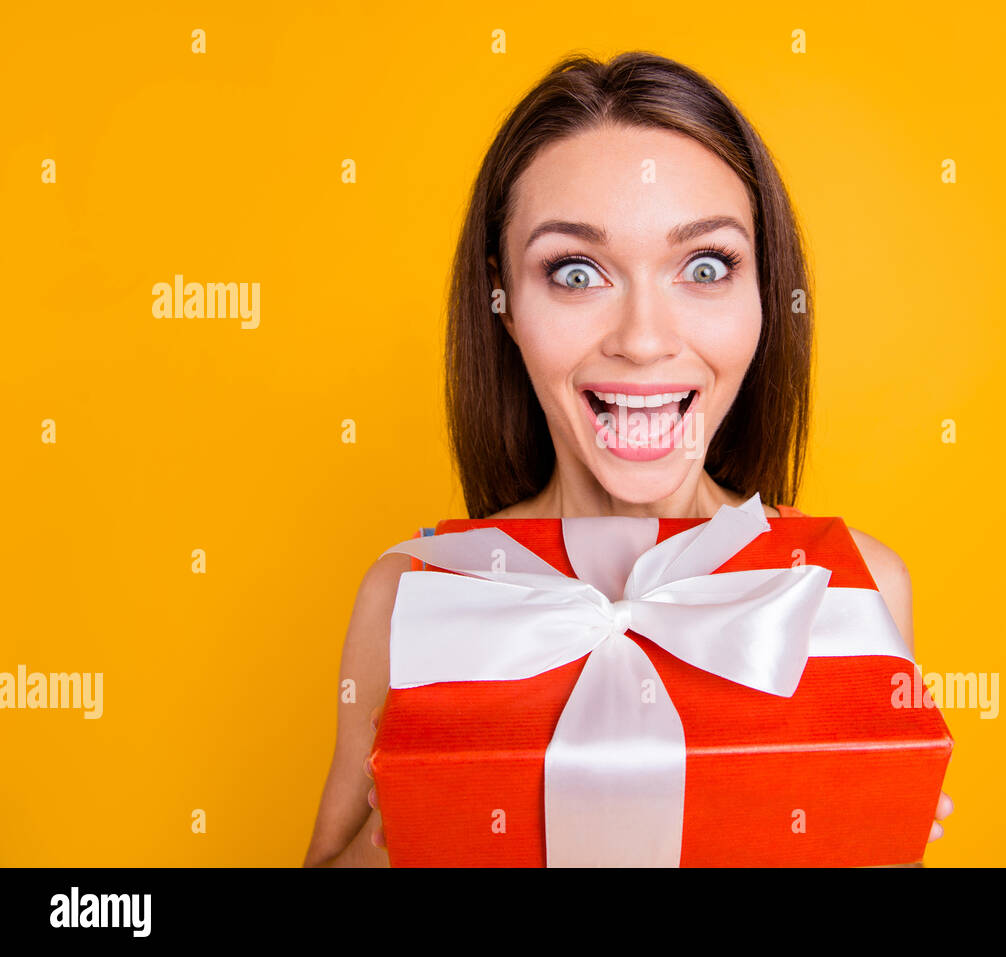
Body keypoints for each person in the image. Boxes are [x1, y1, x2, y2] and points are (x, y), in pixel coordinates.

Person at [303, 50, 953, 867]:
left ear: (764, 293)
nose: (644, 339)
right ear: (502, 301)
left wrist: (869, 836)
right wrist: (422, 826)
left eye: (706, 267)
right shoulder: (409, 592)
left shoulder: (851, 587)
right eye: (576, 273)